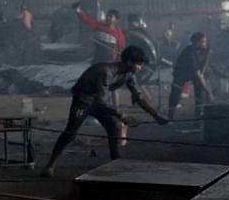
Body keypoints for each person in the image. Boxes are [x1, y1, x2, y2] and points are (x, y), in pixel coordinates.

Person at [42, 45, 169, 177]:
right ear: (129, 62)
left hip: (99, 103)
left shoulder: (129, 74)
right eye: (139, 64)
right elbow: (101, 102)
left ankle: (117, 164)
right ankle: (50, 165)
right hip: (83, 101)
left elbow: (138, 97)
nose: (140, 68)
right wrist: (121, 114)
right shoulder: (105, 71)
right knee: (70, 133)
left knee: (113, 128)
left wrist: (156, 115)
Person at [167, 32, 214, 123]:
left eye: (205, 41)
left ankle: (198, 119)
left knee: (199, 93)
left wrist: (202, 72)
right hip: (182, 73)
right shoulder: (189, 52)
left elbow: (205, 62)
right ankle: (170, 117)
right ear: (197, 42)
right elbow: (197, 74)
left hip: (196, 72)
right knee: (175, 93)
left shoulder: (205, 48)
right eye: (203, 41)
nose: (205, 43)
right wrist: (208, 92)